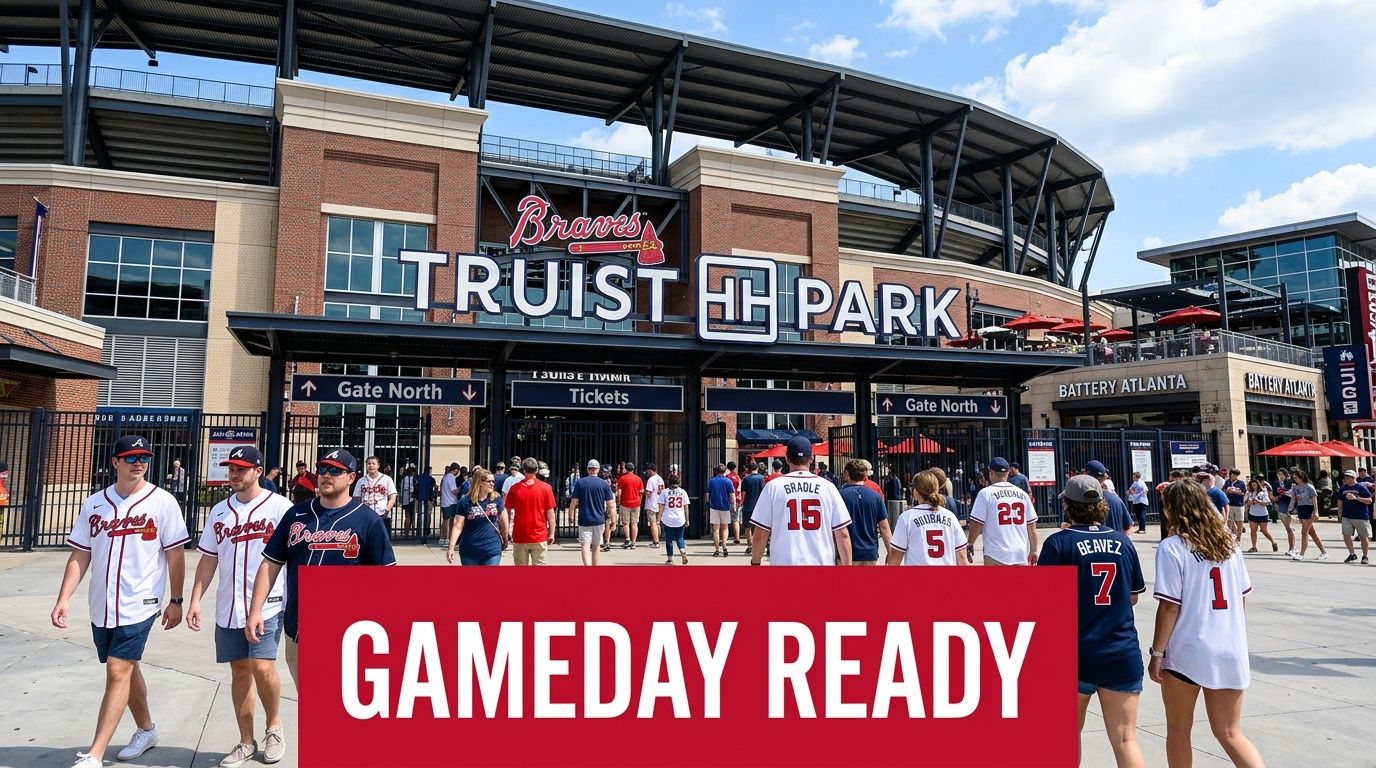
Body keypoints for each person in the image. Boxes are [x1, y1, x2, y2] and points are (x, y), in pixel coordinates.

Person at [51, 435, 190, 768]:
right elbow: (80, 554)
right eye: (130, 457)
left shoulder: (163, 501)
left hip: (140, 602)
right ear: (114, 462)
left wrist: (176, 599)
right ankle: (147, 730)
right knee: (127, 669)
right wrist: (63, 599)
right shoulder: (95, 503)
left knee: (117, 671)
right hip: (102, 604)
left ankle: (94, 754)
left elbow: (175, 555)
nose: (138, 462)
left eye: (143, 457)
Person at [249, 449, 395, 689]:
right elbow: (271, 562)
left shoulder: (368, 521)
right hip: (298, 626)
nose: (327, 475)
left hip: (347, 631)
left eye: (335, 470)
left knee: (342, 702)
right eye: (323, 469)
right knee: (308, 699)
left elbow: (386, 579)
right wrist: (256, 610)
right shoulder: (296, 514)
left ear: (351, 478)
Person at [188, 446, 292, 767]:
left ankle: (274, 728)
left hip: (269, 604)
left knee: (262, 667)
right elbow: (209, 557)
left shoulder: (280, 507)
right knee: (239, 671)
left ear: (258, 471)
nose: (234, 474)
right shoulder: (219, 511)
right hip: (228, 605)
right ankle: (246, 741)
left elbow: (295, 555)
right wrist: (194, 600)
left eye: (241, 469)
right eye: (231, 468)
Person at [1149, 480, 1264, 768]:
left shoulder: (1172, 547)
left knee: (1178, 730)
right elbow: (1242, 598)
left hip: (1188, 649)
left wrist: (1157, 653)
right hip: (1229, 646)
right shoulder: (1230, 546)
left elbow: (1169, 605)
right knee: (1230, 732)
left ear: (1173, 509)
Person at [1037, 475, 1147, 768]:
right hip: (1121, 649)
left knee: (1067, 734)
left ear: (1068, 505)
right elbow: (1133, 597)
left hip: (1075, 651)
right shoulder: (1122, 542)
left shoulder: (1059, 543)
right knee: (1125, 739)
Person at [750, 436, 852, 565]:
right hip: (821, 563)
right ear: (811, 458)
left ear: (786, 459)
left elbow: (760, 534)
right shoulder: (828, 487)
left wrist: (756, 562)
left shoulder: (773, 487)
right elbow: (842, 533)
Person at [967, 457, 1038, 565]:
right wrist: (1034, 550)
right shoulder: (1022, 494)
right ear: (1008, 472)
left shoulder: (985, 493)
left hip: (995, 554)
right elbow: (1031, 526)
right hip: (1019, 554)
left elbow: (977, 523)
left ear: (991, 472)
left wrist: (970, 543)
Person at [887, 469, 967, 566]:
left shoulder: (907, 517)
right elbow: (961, 555)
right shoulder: (950, 516)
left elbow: (896, 555)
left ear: (916, 492)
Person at [447, 468, 508, 566]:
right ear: (480, 482)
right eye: (489, 481)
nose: (492, 484)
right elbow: (458, 525)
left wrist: (505, 537)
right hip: (470, 550)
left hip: (491, 549)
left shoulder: (496, 498)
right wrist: (451, 548)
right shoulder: (466, 501)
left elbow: (504, 520)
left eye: (493, 481)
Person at [840, 459, 892, 565]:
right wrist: (891, 552)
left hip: (848, 553)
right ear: (865, 477)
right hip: (870, 552)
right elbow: (885, 528)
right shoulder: (875, 497)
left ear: (847, 474)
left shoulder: (839, 496)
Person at [507, 458, 556, 566]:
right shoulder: (546, 488)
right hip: (539, 534)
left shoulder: (514, 489)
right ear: (537, 470)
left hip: (520, 534)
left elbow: (508, 512)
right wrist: (552, 532)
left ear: (523, 470)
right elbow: (550, 514)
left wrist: (506, 531)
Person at [570, 459, 614, 565]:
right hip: (599, 520)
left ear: (588, 469)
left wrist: (570, 515)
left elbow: (573, 502)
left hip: (584, 519)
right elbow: (611, 505)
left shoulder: (580, 483)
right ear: (598, 470)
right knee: (596, 546)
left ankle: (587, 567)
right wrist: (614, 520)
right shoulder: (604, 484)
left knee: (585, 545)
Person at [1086, 461, 1134, 534]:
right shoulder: (1116, 499)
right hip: (1115, 543)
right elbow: (1129, 528)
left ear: (1086, 475)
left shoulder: (1081, 500)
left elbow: (1067, 526)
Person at [1289, 469, 1327, 561]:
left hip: (1309, 508)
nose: (1295, 479)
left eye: (1296, 477)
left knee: (1304, 531)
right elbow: (1293, 499)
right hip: (1301, 508)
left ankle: (1302, 554)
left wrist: (1316, 511)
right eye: (1294, 478)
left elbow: (1314, 499)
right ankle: (1324, 552)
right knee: (1312, 533)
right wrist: (1289, 509)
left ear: (1301, 477)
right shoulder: (1295, 488)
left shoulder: (1309, 487)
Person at [1336, 469, 1372, 564]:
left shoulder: (1361, 487)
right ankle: (1352, 554)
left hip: (1360, 515)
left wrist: (1356, 498)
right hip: (1347, 515)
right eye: (1345, 477)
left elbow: (1369, 500)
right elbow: (1340, 501)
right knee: (1346, 534)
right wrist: (1339, 512)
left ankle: (1365, 556)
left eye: (1347, 477)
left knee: (1363, 536)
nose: (1345, 478)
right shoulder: (1343, 488)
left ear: (1353, 478)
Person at [352, 456, 397, 529]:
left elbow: (393, 496)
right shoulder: (361, 481)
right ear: (366, 466)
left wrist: (388, 508)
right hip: (365, 515)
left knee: (382, 539)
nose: (371, 466)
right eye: (369, 464)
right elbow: (356, 497)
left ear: (378, 465)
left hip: (381, 514)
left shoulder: (387, 479)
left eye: (373, 463)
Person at [661, 474, 690, 565]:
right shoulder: (683, 492)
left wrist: (658, 519)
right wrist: (687, 519)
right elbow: (686, 507)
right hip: (680, 518)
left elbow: (661, 506)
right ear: (679, 482)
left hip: (668, 518)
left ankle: (670, 559)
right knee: (680, 537)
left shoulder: (665, 492)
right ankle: (682, 551)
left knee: (669, 540)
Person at [707, 464, 736, 557]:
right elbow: (732, 495)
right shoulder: (728, 481)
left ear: (716, 471)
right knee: (725, 528)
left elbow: (707, 495)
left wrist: (708, 503)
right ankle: (724, 546)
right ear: (725, 471)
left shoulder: (711, 481)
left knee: (716, 529)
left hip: (714, 507)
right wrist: (734, 505)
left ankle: (716, 550)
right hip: (725, 507)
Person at [1242, 479, 1278, 553]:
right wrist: (1250, 502)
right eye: (1252, 485)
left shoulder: (1263, 492)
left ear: (1258, 485)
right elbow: (1245, 501)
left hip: (1262, 514)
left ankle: (1273, 542)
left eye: (1255, 485)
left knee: (1264, 530)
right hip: (1253, 513)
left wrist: (1259, 501)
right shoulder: (1249, 493)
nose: (1253, 486)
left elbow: (1267, 502)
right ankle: (1254, 546)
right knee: (1253, 531)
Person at [617, 461, 645, 549]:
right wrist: (639, 500)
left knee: (625, 523)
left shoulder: (622, 478)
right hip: (636, 503)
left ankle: (628, 539)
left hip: (625, 503)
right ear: (633, 469)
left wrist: (618, 500)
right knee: (634, 524)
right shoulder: (638, 479)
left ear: (626, 469)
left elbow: (619, 492)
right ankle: (634, 542)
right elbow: (641, 491)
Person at [740, 462, 766, 554]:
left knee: (747, 527)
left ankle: (750, 545)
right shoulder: (761, 478)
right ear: (757, 469)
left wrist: (742, 503)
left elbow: (743, 494)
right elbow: (764, 492)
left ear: (749, 469)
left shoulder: (745, 479)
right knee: (758, 527)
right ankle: (758, 545)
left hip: (748, 506)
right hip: (759, 506)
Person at [643, 463, 665, 548]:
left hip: (652, 503)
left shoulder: (651, 480)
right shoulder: (660, 479)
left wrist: (642, 492)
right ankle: (657, 539)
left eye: (648, 471)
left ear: (650, 470)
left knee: (652, 523)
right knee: (657, 523)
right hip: (659, 503)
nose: (647, 473)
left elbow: (648, 493)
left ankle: (656, 541)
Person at [438, 463, 460, 545]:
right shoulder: (451, 478)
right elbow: (454, 491)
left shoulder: (445, 477)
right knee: (449, 521)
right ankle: (447, 537)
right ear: (455, 470)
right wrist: (462, 487)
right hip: (451, 501)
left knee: (445, 520)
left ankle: (443, 537)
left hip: (445, 501)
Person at [1223, 468, 1247, 542]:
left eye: (1234, 475)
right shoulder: (1227, 482)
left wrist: (1237, 492)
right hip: (1230, 503)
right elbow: (1224, 490)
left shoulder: (1241, 483)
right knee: (1230, 521)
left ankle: (1239, 536)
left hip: (1238, 504)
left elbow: (1244, 493)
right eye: (1232, 474)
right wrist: (1227, 491)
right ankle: (1231, 535)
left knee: (1239, 521)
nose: (1233, 476)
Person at [725, 461, 744, 545]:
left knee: (725, 520)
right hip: (738, 500)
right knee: (736, 520)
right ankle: (737, 537)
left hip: (729, 500)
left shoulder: (727, 478)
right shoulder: (738, 477)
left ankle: (724, 537)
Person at [415, 466, 436, 539]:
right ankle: (426, 530)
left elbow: (416, 487)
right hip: (428, 498)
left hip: (420, 498)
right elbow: (432, 489)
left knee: (420, 514)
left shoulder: (419, 477)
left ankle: (419, 530)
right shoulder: (431, 479)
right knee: (428, 514)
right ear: (429, 471)